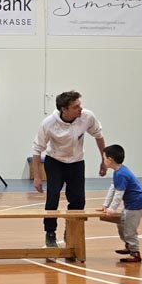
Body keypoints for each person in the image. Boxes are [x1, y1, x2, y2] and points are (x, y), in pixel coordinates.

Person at [31, 90, 106, 248]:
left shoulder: (87, 116)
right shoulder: (48, 123)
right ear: (64, 109)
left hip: (76, 162)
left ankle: (71, 230)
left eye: (80, 105)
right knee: (52, 198)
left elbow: (98, 135)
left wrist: (104, 160)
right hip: (55, 161)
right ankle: (50, 233)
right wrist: (37, 177)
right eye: (76, 107)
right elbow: (37, 150)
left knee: (78, 200)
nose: (80, 109)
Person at [97, 144, 142, 263]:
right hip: (130, 205)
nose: (103, 161)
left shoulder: (121, 174)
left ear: (110, 159)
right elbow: (112, 189)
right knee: (121, 225)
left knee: (129, 230)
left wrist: (112, 209)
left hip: (136, 205)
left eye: (104, 158)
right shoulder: (118, 172)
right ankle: (129, 246)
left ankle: (135, 253)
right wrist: (105, 205)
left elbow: (119, 194)